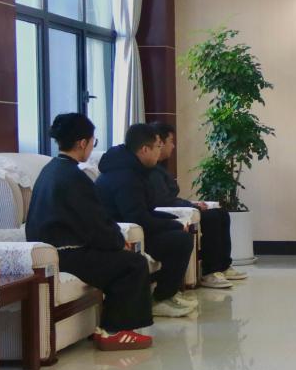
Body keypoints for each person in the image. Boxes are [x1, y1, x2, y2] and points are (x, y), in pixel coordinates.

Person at [24, 113, 154, 351]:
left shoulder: (50, 170)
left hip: (51, 253)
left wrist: (114, 241)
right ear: (82, 142)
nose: (93, 146)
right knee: (134, 264)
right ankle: (114, 331)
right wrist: (118, 242)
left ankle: (112, 327)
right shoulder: (74, 177)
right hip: (68, 255)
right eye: (93, 141)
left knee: (123, 259)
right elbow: (95, 222)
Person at [95, 123, 197, 317]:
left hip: (136, 230)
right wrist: (173, 225)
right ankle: (162, 298)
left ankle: (166, 294)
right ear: (144, 149)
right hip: (123, 236)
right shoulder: (124, 176)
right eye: (158, 147)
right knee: (180, 241)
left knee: (179, 233)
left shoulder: (134, 170)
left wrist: (174, 222)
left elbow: (147, 211)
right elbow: (137, 217)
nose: (160, 151)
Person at [148, 122, 247, 289]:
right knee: (212, 217)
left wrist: (191, 204)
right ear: (160, 143)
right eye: (171, 141)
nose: (173, 146)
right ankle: (210, 271)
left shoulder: (161, 168)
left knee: (221, 213)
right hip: (166, 213)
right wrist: (191, 205)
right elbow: (162, 200)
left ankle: (223, 266)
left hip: (176, 207)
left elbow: (169, 197)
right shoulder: (151, 170)